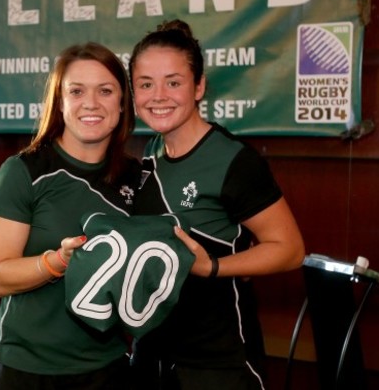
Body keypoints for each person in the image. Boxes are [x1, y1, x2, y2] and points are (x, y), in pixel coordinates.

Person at [128, 19, 305, 390]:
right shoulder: (151, 153)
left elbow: (289, 250)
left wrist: (213, 267)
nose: (158, 95)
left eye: (173, 82)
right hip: (154, 357)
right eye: (146, 84)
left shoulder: (233, 160)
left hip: (218, 364)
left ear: (199, 86)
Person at [0, 42, 141, 390]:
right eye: (76, 91)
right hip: (23, 369)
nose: (91, 103)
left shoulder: (138, 178)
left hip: (107, 369)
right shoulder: (23, 171)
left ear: (122, 102)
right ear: (60, 101)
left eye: (105, 90)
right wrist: (59, 261)